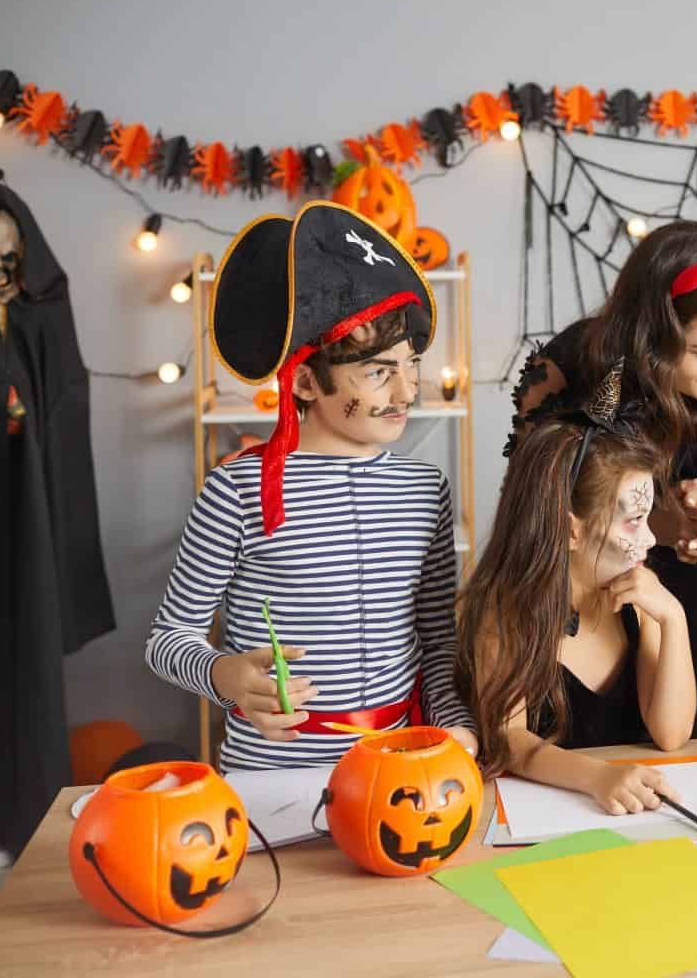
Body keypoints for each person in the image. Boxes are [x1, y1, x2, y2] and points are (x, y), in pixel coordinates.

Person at [146, 202, 476, 769]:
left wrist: (457, 727)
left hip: (396, 768)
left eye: (410, 364)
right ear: (304, 381)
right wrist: (222, 674)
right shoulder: (236, 490)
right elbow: (169, 638)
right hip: (272, 777)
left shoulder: (427, 490)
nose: (405, 392)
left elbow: (437, 641)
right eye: (377, 372)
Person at [509, 221, 697, 736]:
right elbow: (536, 495)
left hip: (681, 570)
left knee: (673, 731)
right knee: (575, 731)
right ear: (653, 337)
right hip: (584, 565)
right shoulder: (569, 369)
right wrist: (655, 512)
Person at [459, 366, 695, 814]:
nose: (649, 539)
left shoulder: (640, 598)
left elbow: (671, 733)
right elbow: (508, 740)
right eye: (633, 521)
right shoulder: (505, 609)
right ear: (569, 529)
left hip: (636, 818)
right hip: (544, 819)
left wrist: (673, 619)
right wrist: (596, 776)